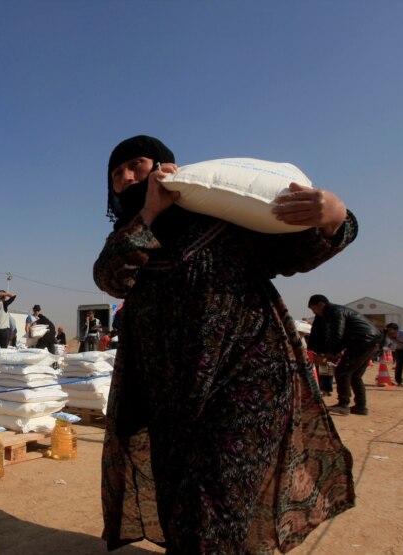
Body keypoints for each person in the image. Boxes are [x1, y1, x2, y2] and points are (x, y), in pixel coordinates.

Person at [94, 135, 356, 553]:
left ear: (163, 167)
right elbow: (110, 278)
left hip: (245, 381)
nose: (125, 177)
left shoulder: (221, 217)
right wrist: (148, 213)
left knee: (214, 499)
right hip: (168, 397)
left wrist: (334, 217)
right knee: (179, 499)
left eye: (136, 165)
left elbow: (294, 254)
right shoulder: (129, 235)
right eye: (115, 174)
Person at [307, 295, 382, 415]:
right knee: (355, 375)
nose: (314, 312)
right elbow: (320, 334)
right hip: (371, 340)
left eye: (313, 308)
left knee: (343, 372)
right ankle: (361, 406)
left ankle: (343, 404)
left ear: (321, 304)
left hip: (362, 340)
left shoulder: (335, 312)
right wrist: (324, 352)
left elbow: (338, 334)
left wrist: (332, 353)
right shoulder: (328, 315)